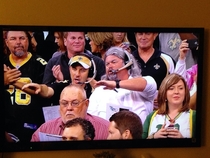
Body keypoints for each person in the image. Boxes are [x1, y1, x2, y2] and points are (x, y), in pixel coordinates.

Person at [87, 46, 157, 124]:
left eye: (113, 62)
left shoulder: (142, 85)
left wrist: (116, 84)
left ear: (127, 63)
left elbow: (148, 83)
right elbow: (92, 121)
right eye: (107, 64)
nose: (109, 66)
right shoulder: (99, 91)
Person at [4, 31, 48, 142]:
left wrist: (13, 81)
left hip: (30, 124)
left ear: (28, 40)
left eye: (22, 38)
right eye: (13, 39)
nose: (18, 42)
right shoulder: (3, 63)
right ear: (6, 42)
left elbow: (43, 92)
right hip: (4, 123)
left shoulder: (40, 64)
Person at [30, 84, 109, 141]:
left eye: (75, 103)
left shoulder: (106, 130)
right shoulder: (44, 130)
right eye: (64, 103)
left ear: (86, 104)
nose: (69, 108)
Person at [22, 53, 96, 104]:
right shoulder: (63, 85)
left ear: (90, 72)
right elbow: (48, 91)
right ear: (69, 69)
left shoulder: (95, 92)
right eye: (74, 69)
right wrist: (40, 88)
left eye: (82, 70)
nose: (77, 74)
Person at [142, 73, 196, 139]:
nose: (176, 92)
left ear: (185, 92)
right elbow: (141, 145)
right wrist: (153, 137)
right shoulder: (151, 117)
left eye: (181, 88)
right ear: (164, 93)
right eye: (171, 88)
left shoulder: (194, 116)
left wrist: (183, 140)